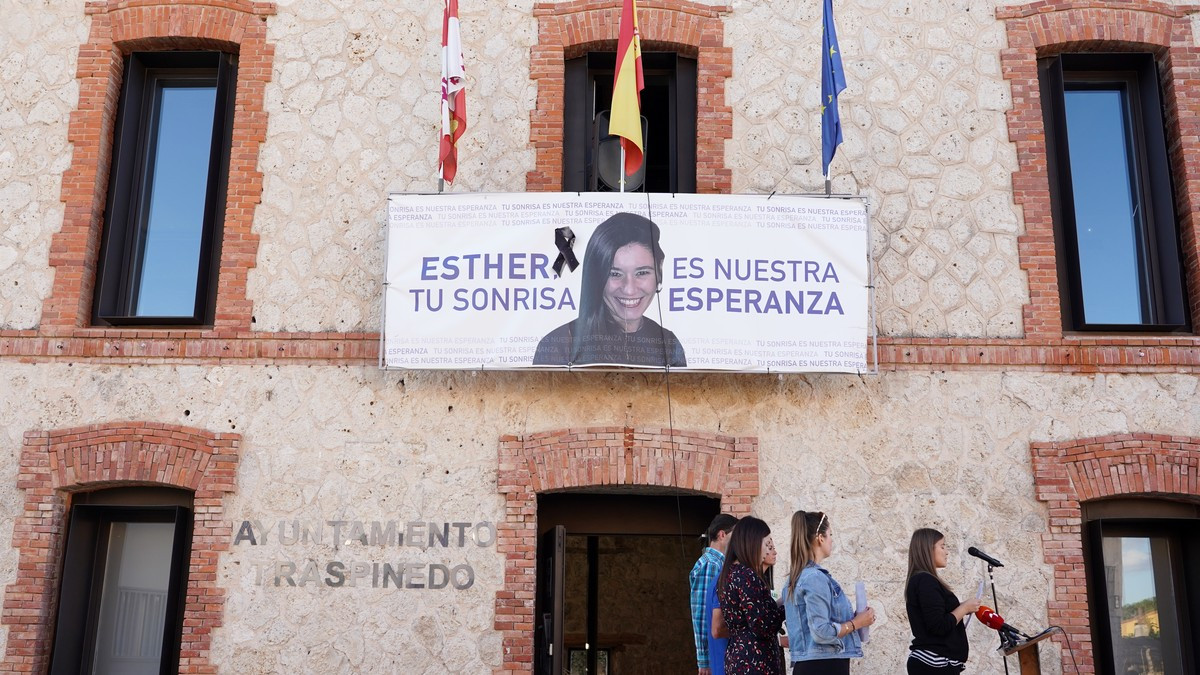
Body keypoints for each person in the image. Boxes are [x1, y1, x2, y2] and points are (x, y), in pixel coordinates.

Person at [532, 212, 686, 367]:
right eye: (615, 274)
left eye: (642, 273)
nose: (629, 289)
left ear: (659, 271)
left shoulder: (669, 346)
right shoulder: (559, 345)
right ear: (596, 277)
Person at [784, 510, 875, 675]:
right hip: (824, 665)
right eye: (830, 534)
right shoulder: (814, 578)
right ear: (820, 538)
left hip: (810, 664)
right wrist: (857, 623)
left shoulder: (795, 577)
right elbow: (821, 632)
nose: (832, 540)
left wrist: (855, 619)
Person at [716, 516, 786, 674]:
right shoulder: (748, 576)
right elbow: (762, 624)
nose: (769, 549)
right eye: (766, 544)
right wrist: (786, 607)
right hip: (754, 661)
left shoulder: (728, 574)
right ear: (753, 542)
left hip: (736, 657)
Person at [905, 528, 980, 674]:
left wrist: (962, 607)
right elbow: (939, 625)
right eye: (942, 546)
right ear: (927, 549)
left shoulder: (922, 580)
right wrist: (963, 608)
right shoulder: (925, 581)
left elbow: (936, 615)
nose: (946, 552)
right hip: (934, 664)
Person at [692, 514, 738, 675]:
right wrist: (704, 660)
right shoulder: (711, 565)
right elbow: (701, 613)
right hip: (716, 653)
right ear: (722, 535)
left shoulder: (720, 564)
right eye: (736, 535)